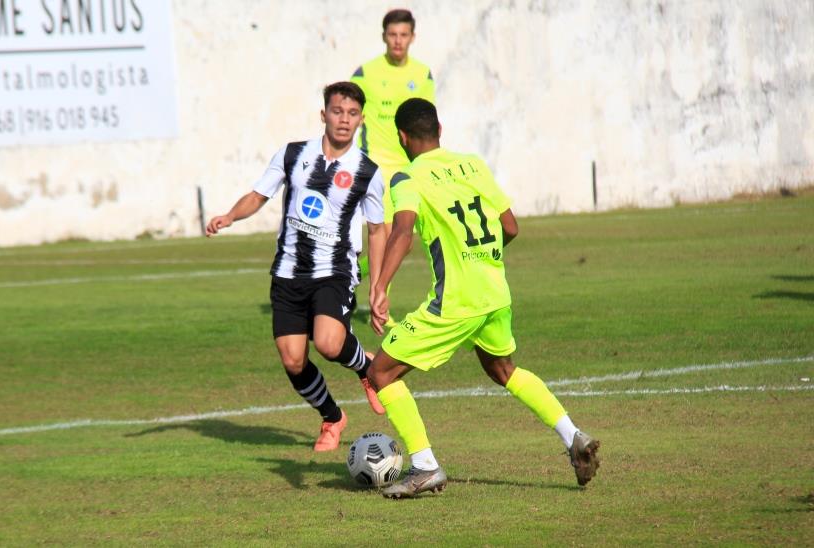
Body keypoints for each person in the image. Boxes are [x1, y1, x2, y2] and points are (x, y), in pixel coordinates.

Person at [367, 98, 601, 498]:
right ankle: (573, 436)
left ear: (403, 137)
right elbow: (509, 225)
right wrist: (480, 259)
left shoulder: (406, 178)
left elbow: (403, 232)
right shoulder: (473, 164)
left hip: (456, 301)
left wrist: (380, 285)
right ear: (439, 130)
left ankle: (424, 466)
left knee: (381, 374)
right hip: (495, 291)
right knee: (503, 370)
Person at [206, 82, 387, 451]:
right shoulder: (292, 155)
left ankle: (366, 368)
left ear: (361, 120)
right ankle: (333, 418)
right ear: (324, 115)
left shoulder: (367, 171)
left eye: (352, 114)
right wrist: (229, 216)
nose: (344, 120)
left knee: (328, 342)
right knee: (292, 360)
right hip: (288, 271)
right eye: (337, 112)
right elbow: (259, 194)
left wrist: (378, 285)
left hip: (334, 269)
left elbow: (378, 229)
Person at [350, 8, 435, 320]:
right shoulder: (365, 74)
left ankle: (353, 268)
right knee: (389, 237)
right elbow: (349, 114)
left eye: (403, 35)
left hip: (409, 168)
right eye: (392, 35)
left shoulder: (423, 75)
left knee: (405, 243)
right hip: (378, 168)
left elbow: (426, 120)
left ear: (412, 37)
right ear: (384, 36)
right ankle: (380, 308)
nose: (398, 41)